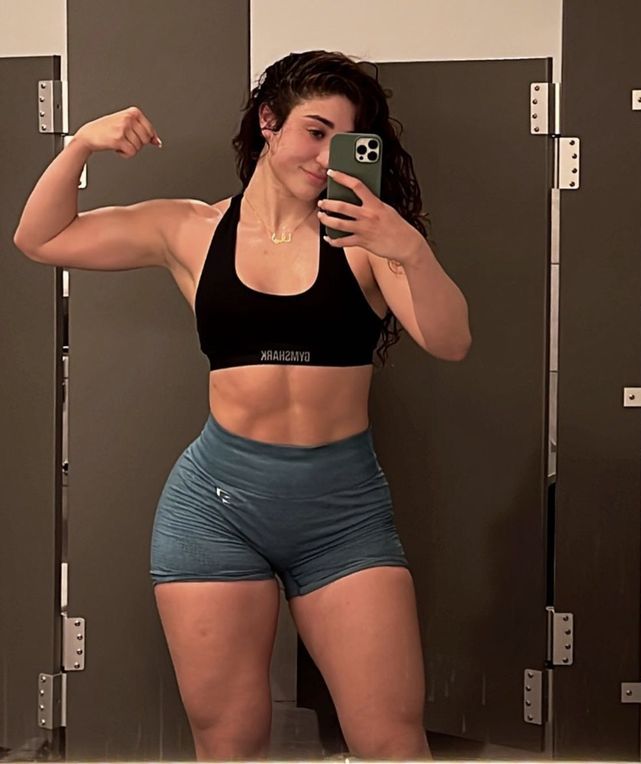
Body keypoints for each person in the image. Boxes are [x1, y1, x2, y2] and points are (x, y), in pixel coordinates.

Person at [14, 50, 472, 761]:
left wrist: (406, 246)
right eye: (313, 132)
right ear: (269, 122)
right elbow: (40, 238)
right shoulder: (191, 230)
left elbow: (449, 341)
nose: (324, 157)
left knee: (390, 742)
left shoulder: (367, 240)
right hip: (215, 508)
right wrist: (80, 145)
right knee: (228, 742)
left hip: (342, 515)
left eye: (342, 140)